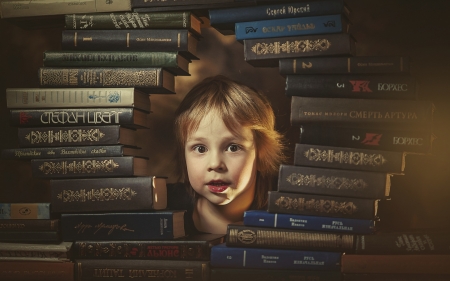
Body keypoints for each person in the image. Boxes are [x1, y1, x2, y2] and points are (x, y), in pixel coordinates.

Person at [167, 75, 286, 235]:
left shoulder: (285, 219)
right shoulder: (162, 207)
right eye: (200, 149)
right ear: (184, 156)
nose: (215, 164)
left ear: (261, 155)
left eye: (233, 147)